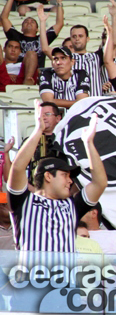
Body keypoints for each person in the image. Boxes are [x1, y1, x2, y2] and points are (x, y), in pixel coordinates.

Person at [7, 106, 105, 253]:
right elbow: (17, 168)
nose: (70, 181)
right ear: (48, 176)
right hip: (32, 276)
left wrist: (89, 144)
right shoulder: (23, 202)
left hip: (66, 276)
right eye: (65, 175)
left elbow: (100, 183)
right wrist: (38, 130)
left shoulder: (73, 206)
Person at [3, 0, 63, 82]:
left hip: (38, 74)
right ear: (22, 28)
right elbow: (4, 18)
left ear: (37, 29)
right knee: (30, 54)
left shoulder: (43, 38)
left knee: (31, 54)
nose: (29, 22)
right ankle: (27, 79)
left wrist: (59, 4)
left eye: (32, 22)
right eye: (26, 21)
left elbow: (59, 23)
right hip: (18, 72)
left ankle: (29, 79)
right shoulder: (16, 37)